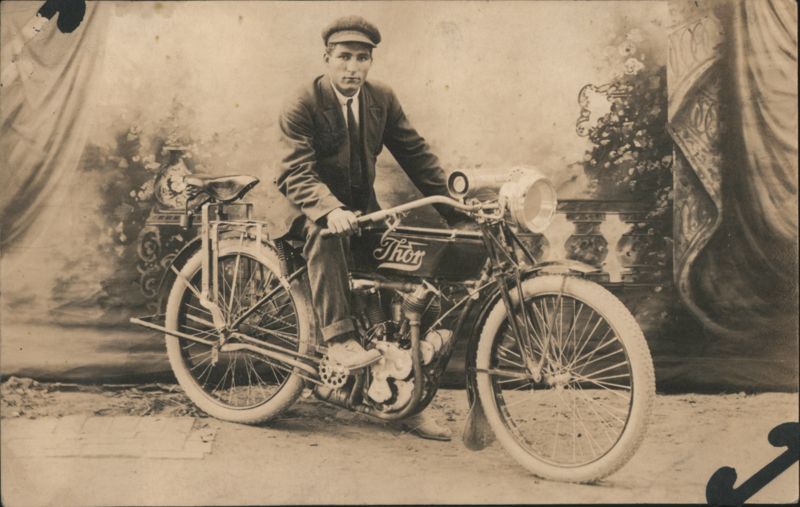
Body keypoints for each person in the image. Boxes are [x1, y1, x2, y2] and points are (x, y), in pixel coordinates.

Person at [272, 15, 466, 440]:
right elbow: (295, 173)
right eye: (344, 57)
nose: (352, 67)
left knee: (409, 282)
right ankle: (340, 340)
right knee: (327, 234)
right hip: (306, 212)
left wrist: (458, 212)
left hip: (363, 214)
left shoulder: (381, 98)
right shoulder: (303, 101)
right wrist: (329, 209)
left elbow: (417, 156)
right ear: (327, 58)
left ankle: (404, 400)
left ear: (371, 62)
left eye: (362, 58)